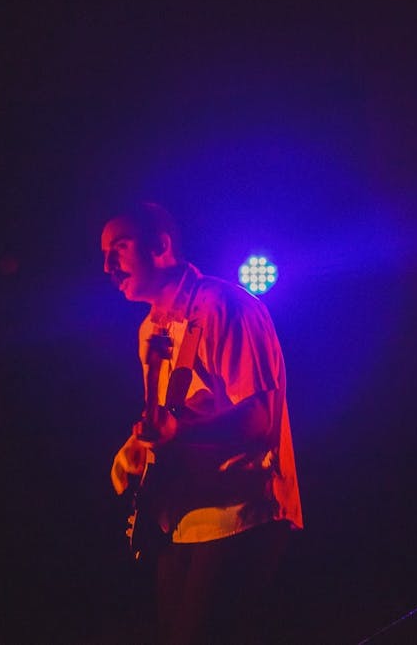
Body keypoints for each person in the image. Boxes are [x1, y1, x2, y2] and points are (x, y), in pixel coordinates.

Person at [102, 202, 303, 645]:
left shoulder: (225, 307)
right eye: (104, 254)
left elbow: (260, 420)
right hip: (183, 518)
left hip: (240, 514)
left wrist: (179, 432)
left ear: (160, 246)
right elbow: (177, 416)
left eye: (120, 248)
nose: (107, 266)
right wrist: (140, 447)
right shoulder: (149, 329)